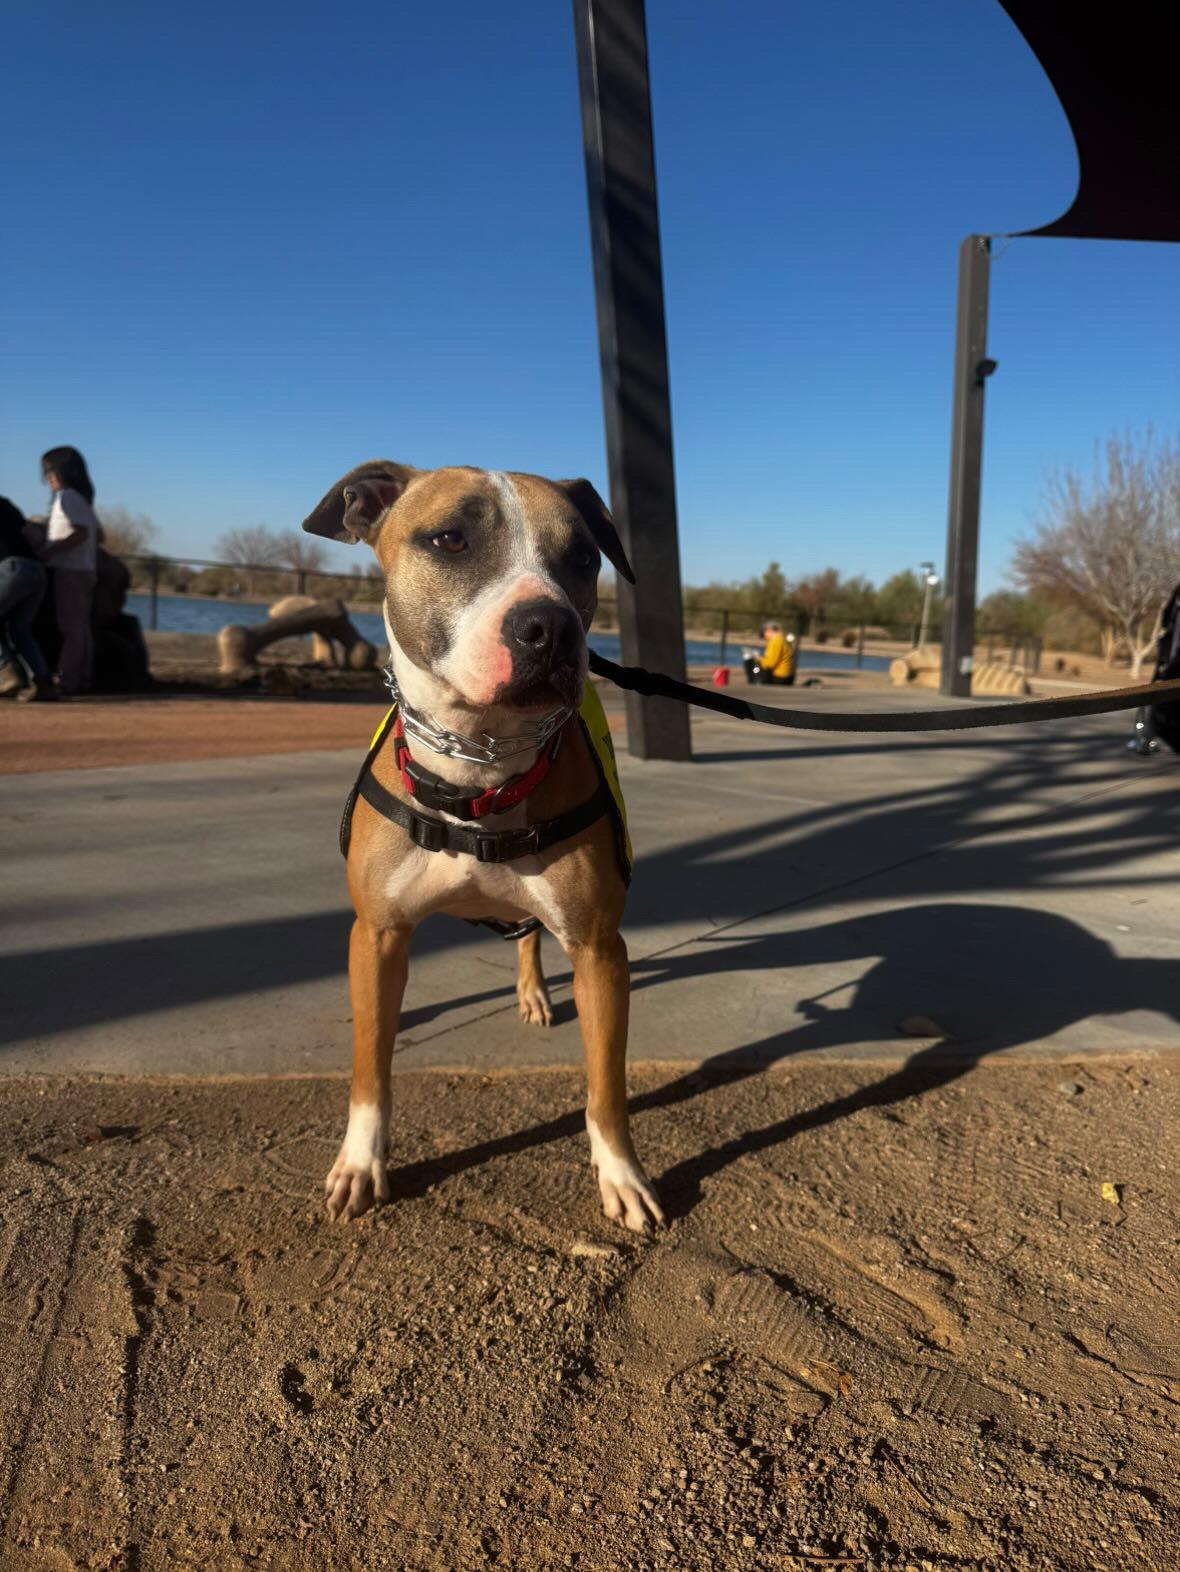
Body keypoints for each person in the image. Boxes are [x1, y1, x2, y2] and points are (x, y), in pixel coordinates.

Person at [40, 445, 99, 695]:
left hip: (71, 570)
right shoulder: (80, 500)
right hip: (83, 569)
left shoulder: (67, 498)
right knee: (80, 626)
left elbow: (81, 533)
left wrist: (50, 551)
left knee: (71, 627)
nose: (48, 477)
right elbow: (97, 534)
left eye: (52, 471)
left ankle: (68, 678)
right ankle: (83, 675)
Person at [0, 496, 55, 701]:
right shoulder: (4, 504)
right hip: (36, 570)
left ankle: (6, 671)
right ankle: (44, 684)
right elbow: (33, 535)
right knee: (19, 630)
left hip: (11, 569)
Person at [742, 621, 797, 686]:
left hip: (779, 678)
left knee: (750, 661)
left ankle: (756, 682)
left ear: (768, 630)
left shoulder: (776, 641)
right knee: (757, 662)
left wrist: (758, 658)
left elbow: (770, 664)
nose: (764, 638)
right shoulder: (783, 638)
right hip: (788, 677)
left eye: (763, 634)